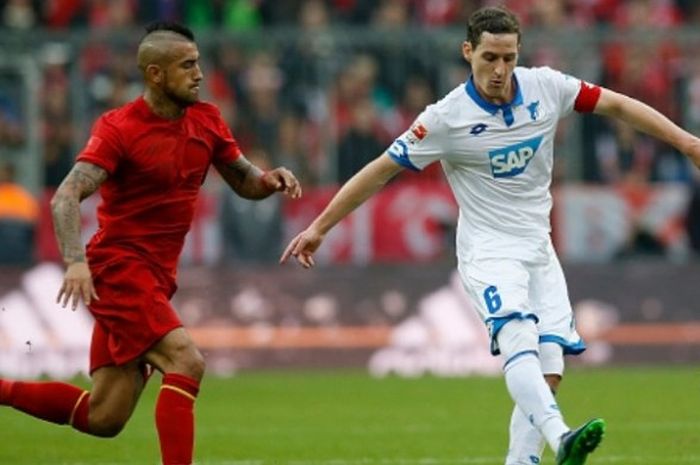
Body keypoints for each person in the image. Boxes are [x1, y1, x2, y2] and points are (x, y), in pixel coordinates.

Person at [280, 6, 700, 465]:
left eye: (508, 58)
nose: (500, 70)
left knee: (550, 369)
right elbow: (380, 172)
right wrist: (320, 226)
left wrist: (687, 142)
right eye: (489, 58)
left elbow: (616, 104)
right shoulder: (444, 119)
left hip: (539, 248)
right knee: (518, 341)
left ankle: (522, 461)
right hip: (488, 249)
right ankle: (561, 438)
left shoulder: (546, 87)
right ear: (468, 52)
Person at [0, 22, 301, 465]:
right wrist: (75, 261)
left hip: (157, 277)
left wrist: (268, 179)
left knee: (104, 416)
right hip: (118, 268)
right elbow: (66, 195)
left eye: (198, 62)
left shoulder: (207, 119)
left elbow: (243, 180)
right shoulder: (120, 128)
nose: (199, 73)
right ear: (155, 74)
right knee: (186, 361)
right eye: (187, 65)